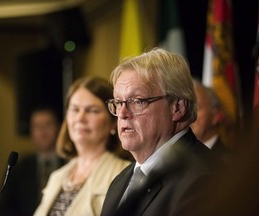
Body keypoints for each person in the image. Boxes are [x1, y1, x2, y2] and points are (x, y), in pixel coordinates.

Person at [101, 48, 219, 216]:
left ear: (177, 107)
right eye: (119, 102)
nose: (122, 113)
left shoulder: (203, 180)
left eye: (137, 101)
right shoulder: (120, 182)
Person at [34, 76, 131, 216]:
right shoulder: (57, 177)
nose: (80, 118)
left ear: (113, 121)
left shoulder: (124, 175)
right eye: (75, 109)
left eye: (92, 110)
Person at [0, 106, 64, 216]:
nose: (43, 131)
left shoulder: (71, 164)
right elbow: (4, 207)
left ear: (58, 127)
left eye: (48, 125)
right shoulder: (18, 167)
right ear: (31, 131)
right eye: (37, 126)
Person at [190, 78, 229, 159]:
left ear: (215, 115)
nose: (189, 115)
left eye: (196, 108)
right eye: (187, 108)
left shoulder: (230, 163)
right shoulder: (177, 160)